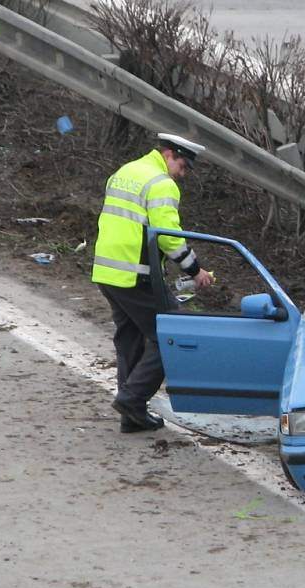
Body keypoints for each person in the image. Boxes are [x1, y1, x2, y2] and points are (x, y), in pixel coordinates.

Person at [92, 133, 214, 433]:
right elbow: (168, 236)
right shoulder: (161, 183)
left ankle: (130, 416)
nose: (182, 174)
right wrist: (195, 270)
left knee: (130, 339)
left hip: (108, 272)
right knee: (173, 335)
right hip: (135, 274)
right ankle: (132, 400)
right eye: (182, 166)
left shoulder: (126, 171)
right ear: (169, 154)